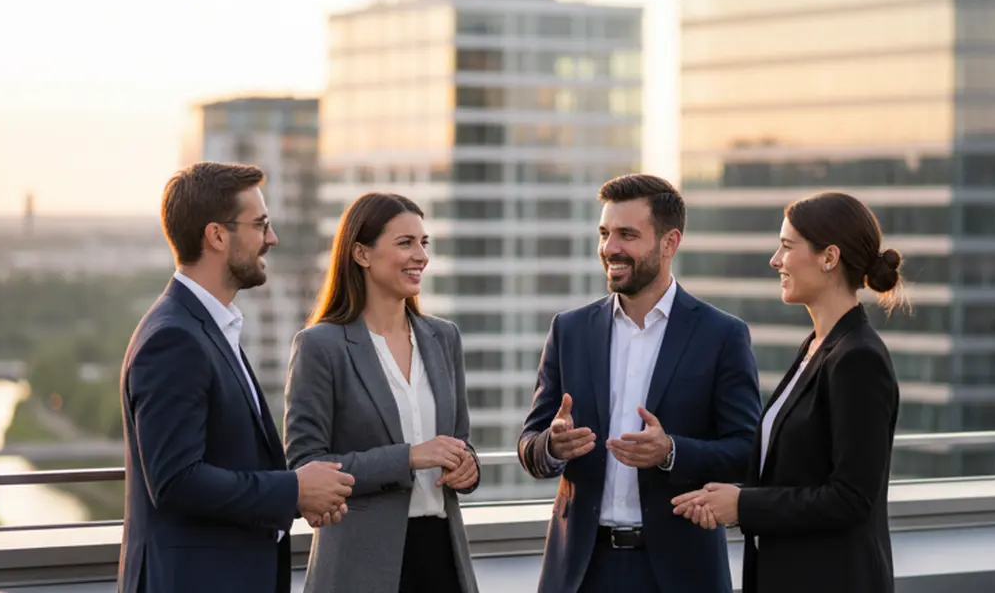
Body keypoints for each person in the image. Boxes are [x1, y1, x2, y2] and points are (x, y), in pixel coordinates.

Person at [516, 174, 762, 593]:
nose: (610, 248)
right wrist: (552, 447)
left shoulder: (722, 335)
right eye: (605, 233)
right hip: (580, 572)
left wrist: (671, 452)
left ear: (669, 243)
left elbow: (747, 450)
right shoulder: (569, 330)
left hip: (680, 574)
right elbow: (530, 445)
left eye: (627, 235)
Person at [118, 162, 355, 593]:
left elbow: (231, 459)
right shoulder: (174, 339)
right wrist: (293, 490)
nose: (272, 238)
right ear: (217, 236)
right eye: (260, 224)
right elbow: (176, 481)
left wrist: (302, 497)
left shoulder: (207, 327)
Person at [671, 191, 906, 593]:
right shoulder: (817, 346)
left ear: (828, 258)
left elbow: (850, 498)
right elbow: (798, 473)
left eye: (786, 246)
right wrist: (730, 496)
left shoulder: (858, 359)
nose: (775, 260)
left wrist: (743, 506)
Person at [283, 192, 482, 593]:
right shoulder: (321, 346)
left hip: (443, 558)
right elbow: (306, 466)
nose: (421, 256)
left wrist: (468, 468)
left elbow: (461, 443)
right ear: (361, 254)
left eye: (424, 243)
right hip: (360, 565)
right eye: (405, 243)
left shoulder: (444, 338)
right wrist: (408, 457)